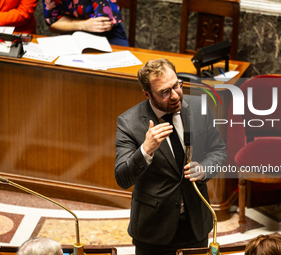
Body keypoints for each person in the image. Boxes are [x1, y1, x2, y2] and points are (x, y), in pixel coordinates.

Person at [114, 58, 227, 255]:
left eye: (177, 86)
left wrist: (204, 168)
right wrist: (146, 150)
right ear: (147, 94)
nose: (175, 95)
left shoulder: (199, 106)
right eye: (165, 92)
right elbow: (122, 178)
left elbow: (219, 151)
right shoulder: (129, 123)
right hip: (154, 230)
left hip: (196, 223)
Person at [42, 0, 129, 46]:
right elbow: (53, 24)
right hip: (72, 33)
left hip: (107, 35)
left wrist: (68, 21)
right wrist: (84, 25)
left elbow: (103, 23)